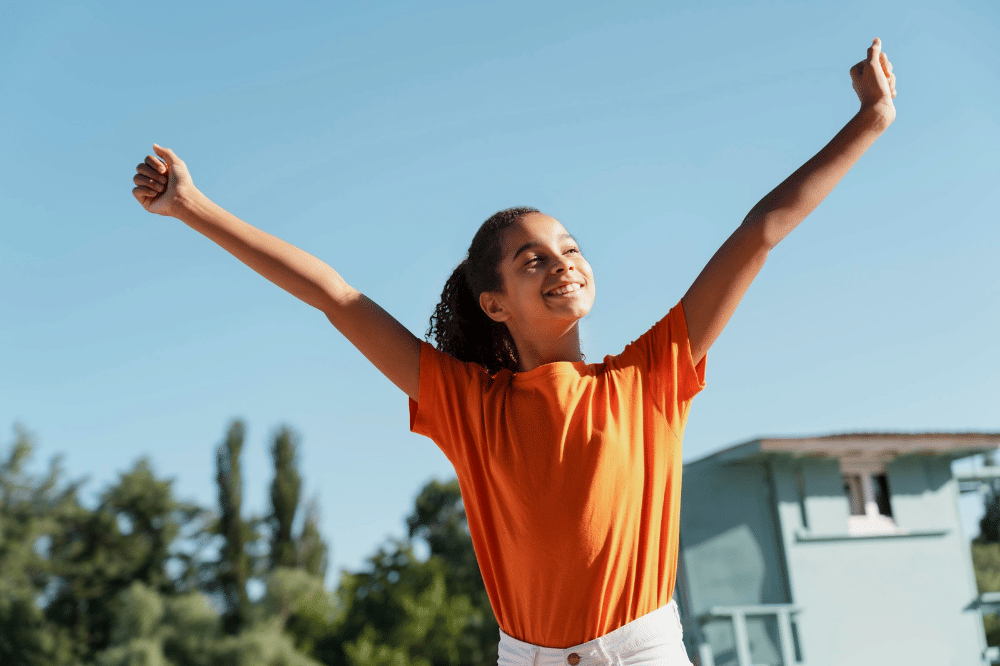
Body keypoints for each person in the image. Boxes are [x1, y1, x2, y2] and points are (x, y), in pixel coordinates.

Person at [131, 38, 897, 665]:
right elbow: (335, 295)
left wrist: (870, 119)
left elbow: (758, 231)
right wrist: (191, 207)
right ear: (493, 303)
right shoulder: (468, 405)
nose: (561, 260)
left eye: (568, 246)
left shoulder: (650, 376)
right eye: (533, 259)